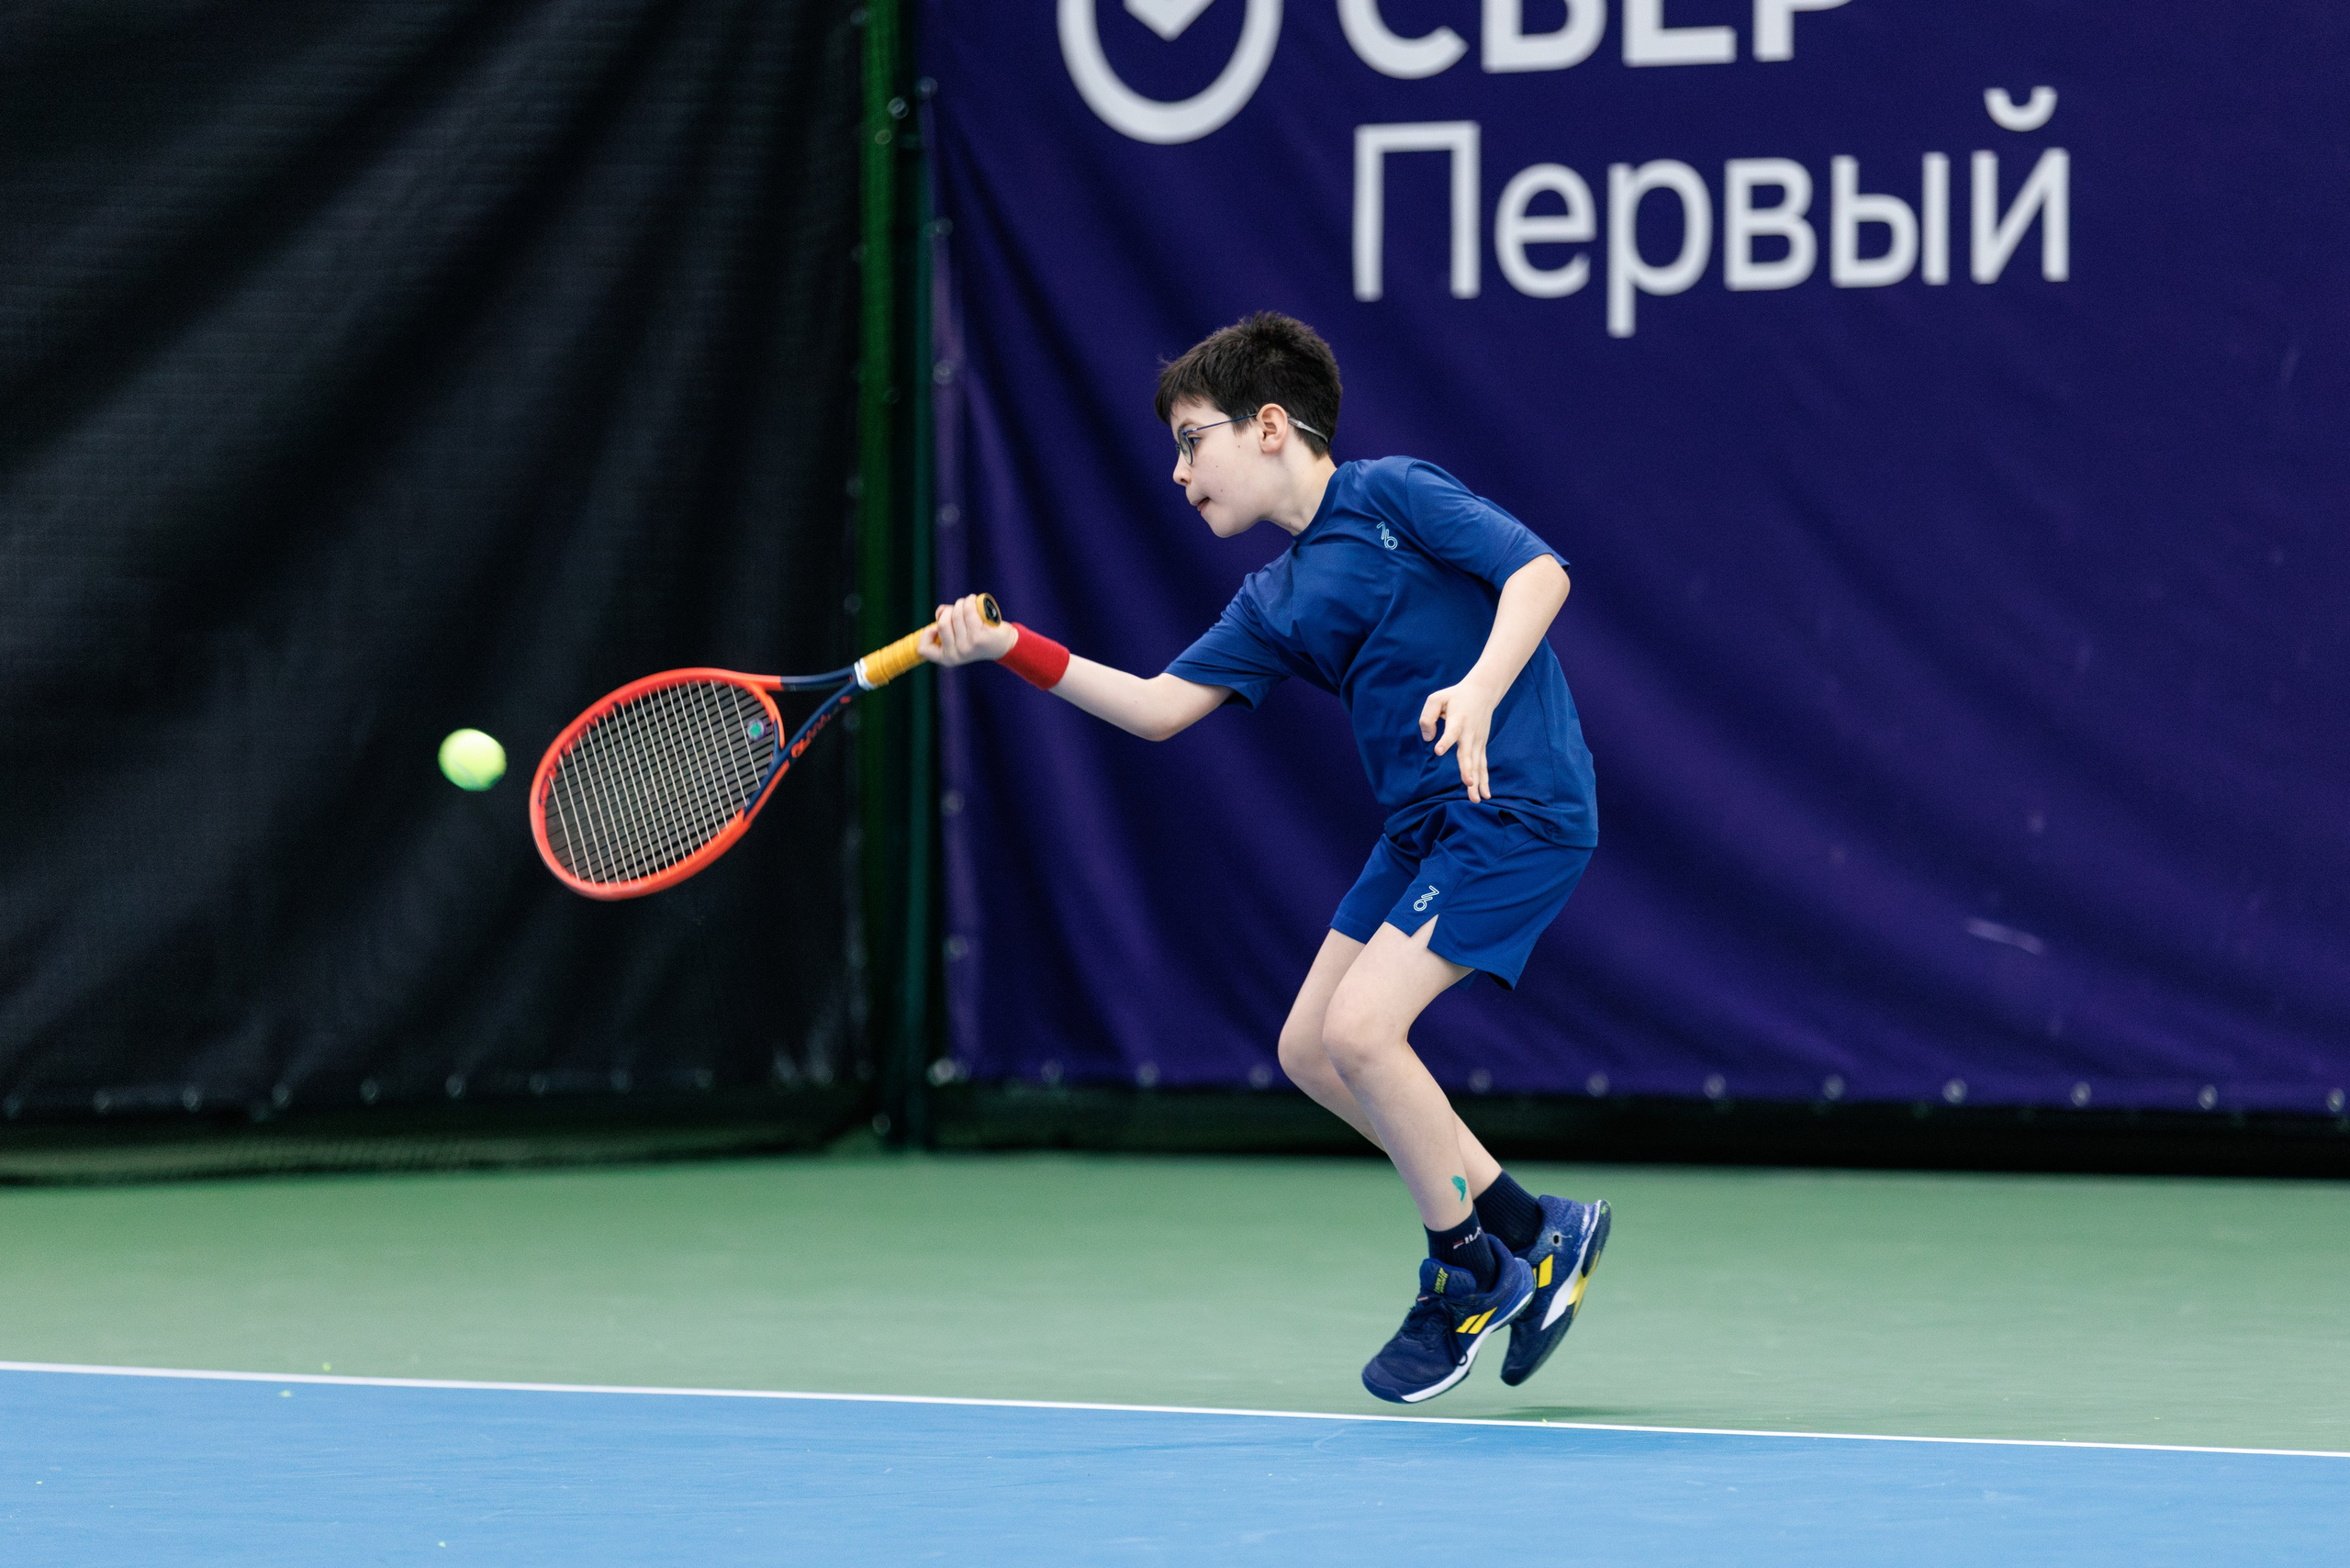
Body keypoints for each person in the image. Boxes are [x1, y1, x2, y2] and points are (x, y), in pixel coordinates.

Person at [920, 312, 1607, 1405]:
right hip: (1420, 827)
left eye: (1193, 439)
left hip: (1511, 800)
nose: (1178, 470)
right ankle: (1533, 1226)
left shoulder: (1390, 496)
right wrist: (1012, 648)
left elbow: (1537, 574)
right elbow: (1153, 709)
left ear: (1271, 427)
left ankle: (1472, 1270)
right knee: (1310, 1049)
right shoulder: (1272, 597)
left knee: (1361, 1028)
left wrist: (1478, 689)